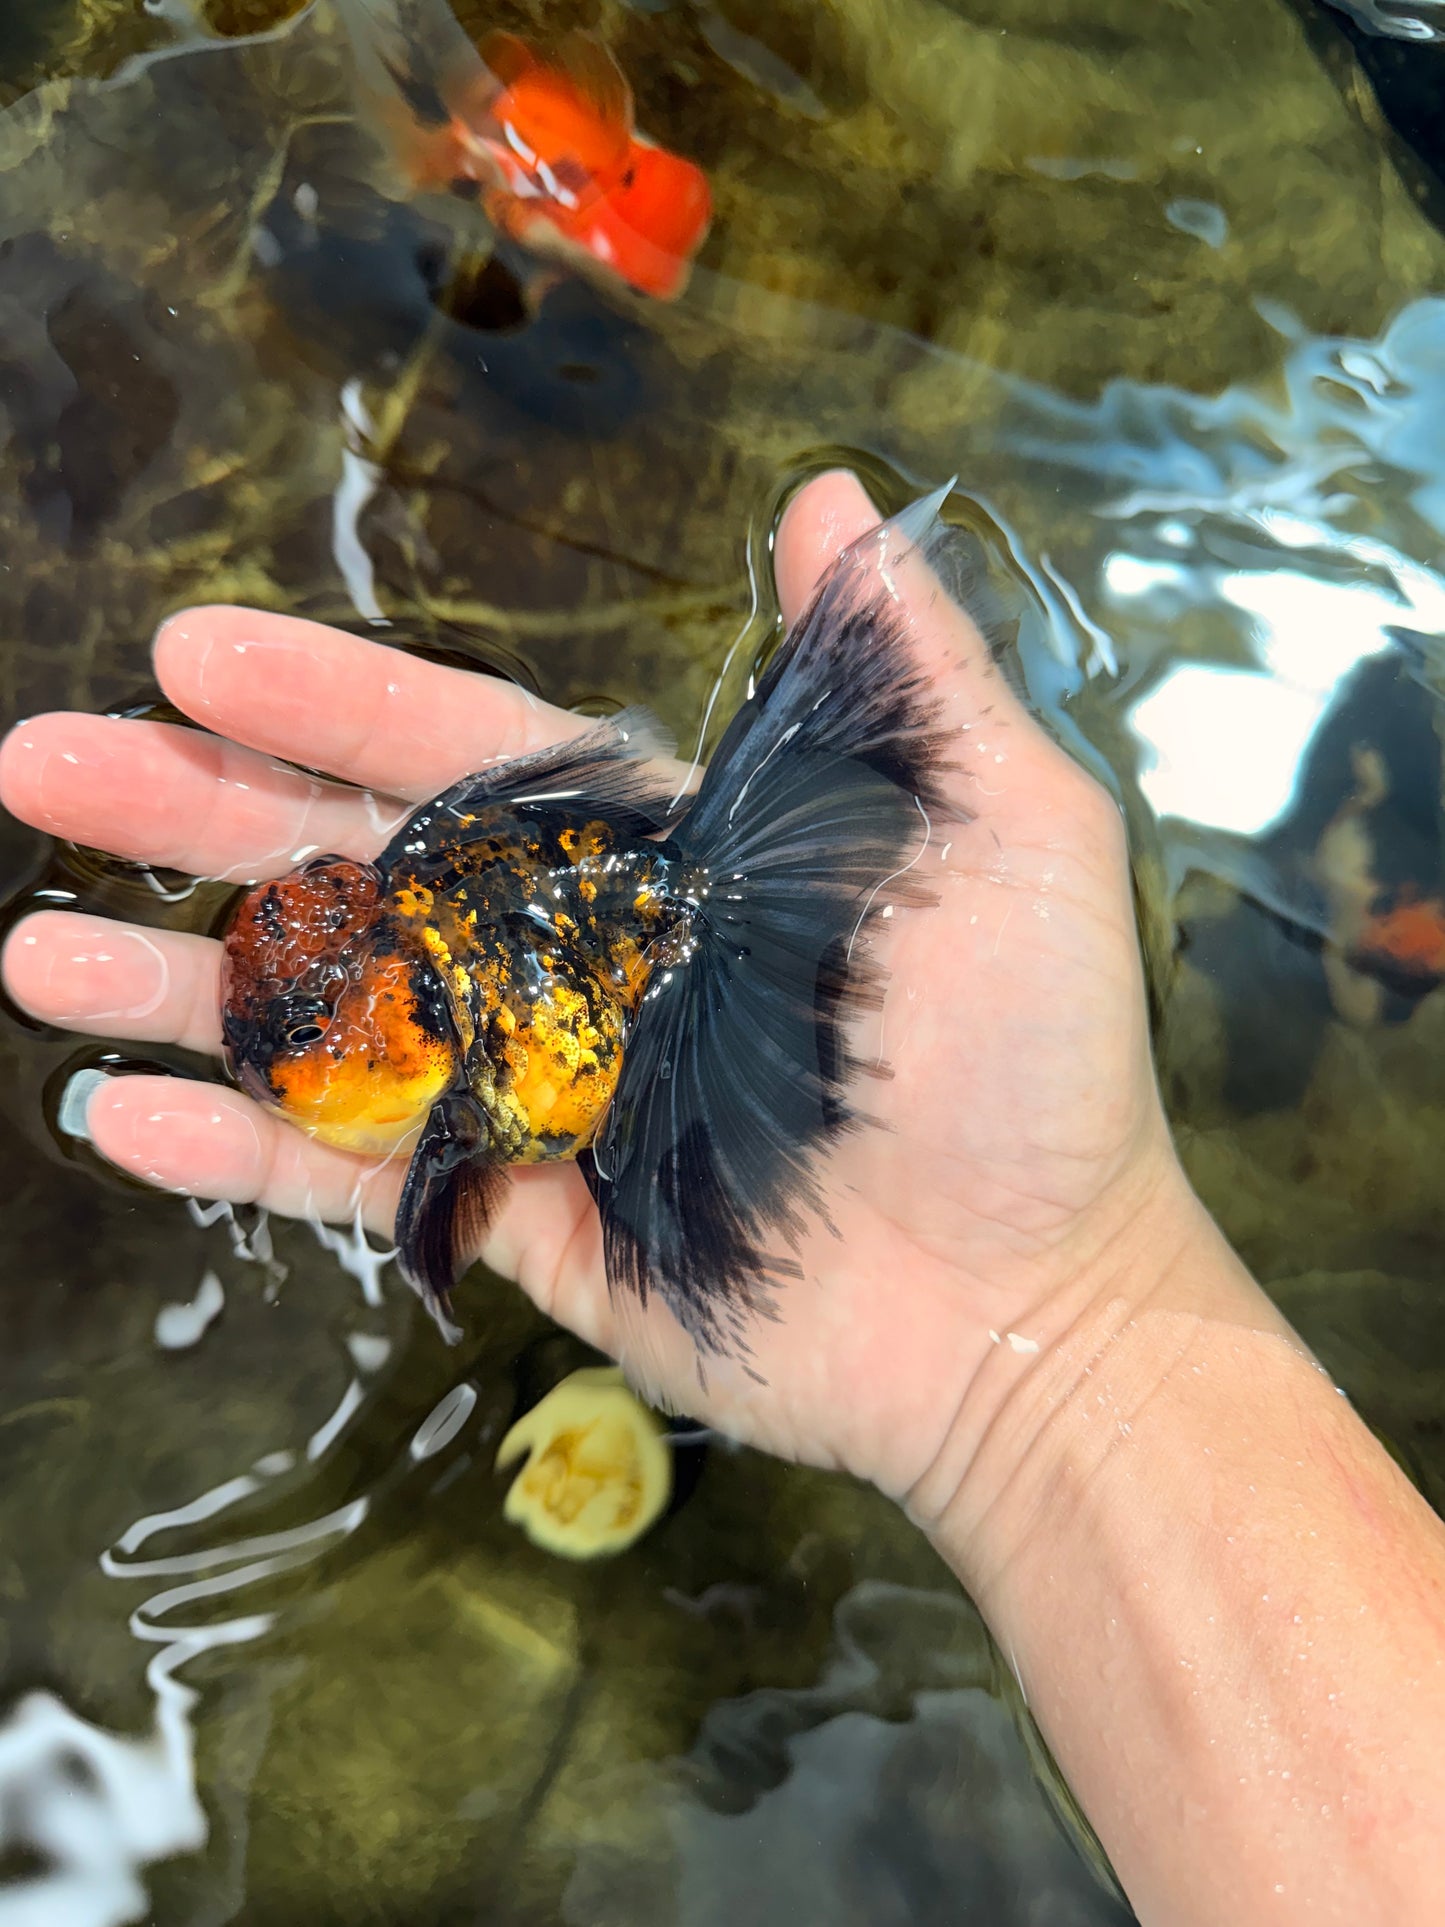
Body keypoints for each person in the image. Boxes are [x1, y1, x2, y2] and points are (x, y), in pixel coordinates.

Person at [3, 470, 1444, 1924]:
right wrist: (1068, 1348)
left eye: (310, 1056)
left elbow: (469, 1137)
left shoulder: (449, 998)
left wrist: (1069, 1337)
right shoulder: (421, 926)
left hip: (584, 995)